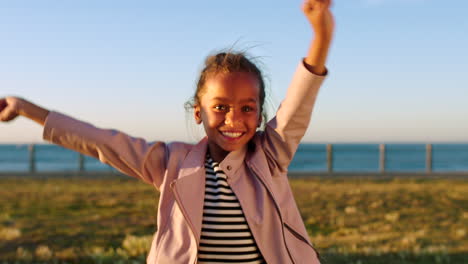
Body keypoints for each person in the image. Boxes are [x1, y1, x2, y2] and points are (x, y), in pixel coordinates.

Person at [0, 0, 334, 263]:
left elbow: (298, 105)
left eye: (247, 108)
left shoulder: (270, 157)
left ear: (260, 115)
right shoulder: (171, 162)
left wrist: (321, 39)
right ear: (198, 112)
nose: (234, 119)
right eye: (220, 107)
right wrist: (27, 109)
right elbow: (99, 141)